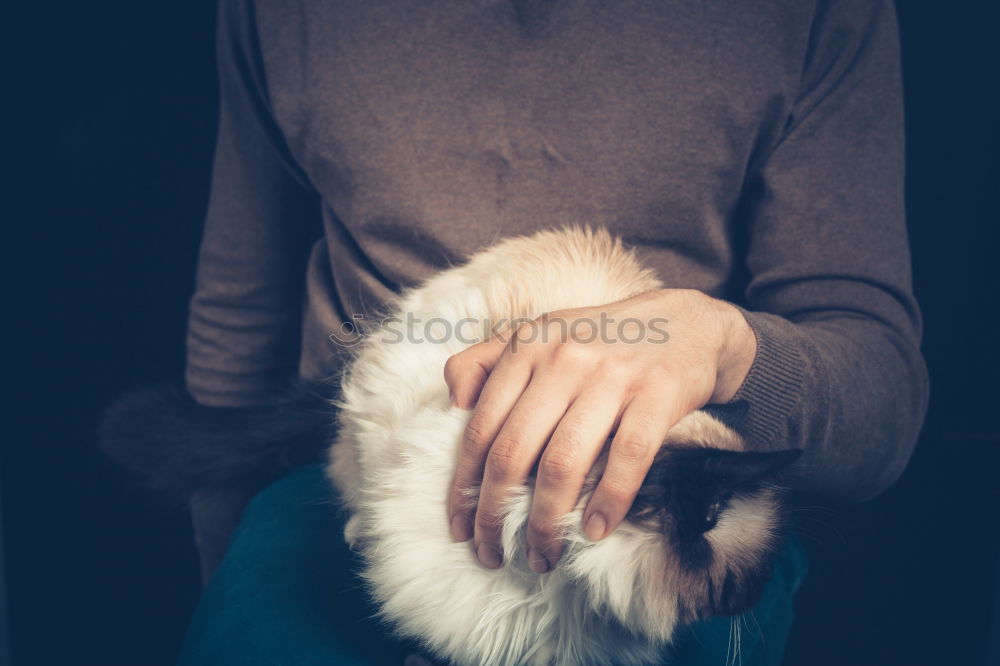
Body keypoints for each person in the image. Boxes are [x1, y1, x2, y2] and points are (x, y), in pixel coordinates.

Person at [175, 0, 928, 663]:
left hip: (675, 500)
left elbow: (883, 390)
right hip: (345, 470)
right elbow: (240, 305)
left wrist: (723, 345)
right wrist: (224, 563)